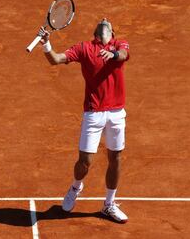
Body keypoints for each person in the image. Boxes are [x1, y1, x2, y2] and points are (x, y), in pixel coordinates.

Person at [38, 18, 130, 223]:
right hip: (93, 112)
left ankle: (109, 204)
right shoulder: (84, 48)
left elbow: (123, 55)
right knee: (84, 162)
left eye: (108, 23)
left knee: (115, 158)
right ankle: (75, 186)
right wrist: (46, 44)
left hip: (116, 113)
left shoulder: (120, 45)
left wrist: (113, 54)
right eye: (101, 22)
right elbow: (56, 59)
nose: (104, 19)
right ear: (96, 33)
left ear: (112, 33)